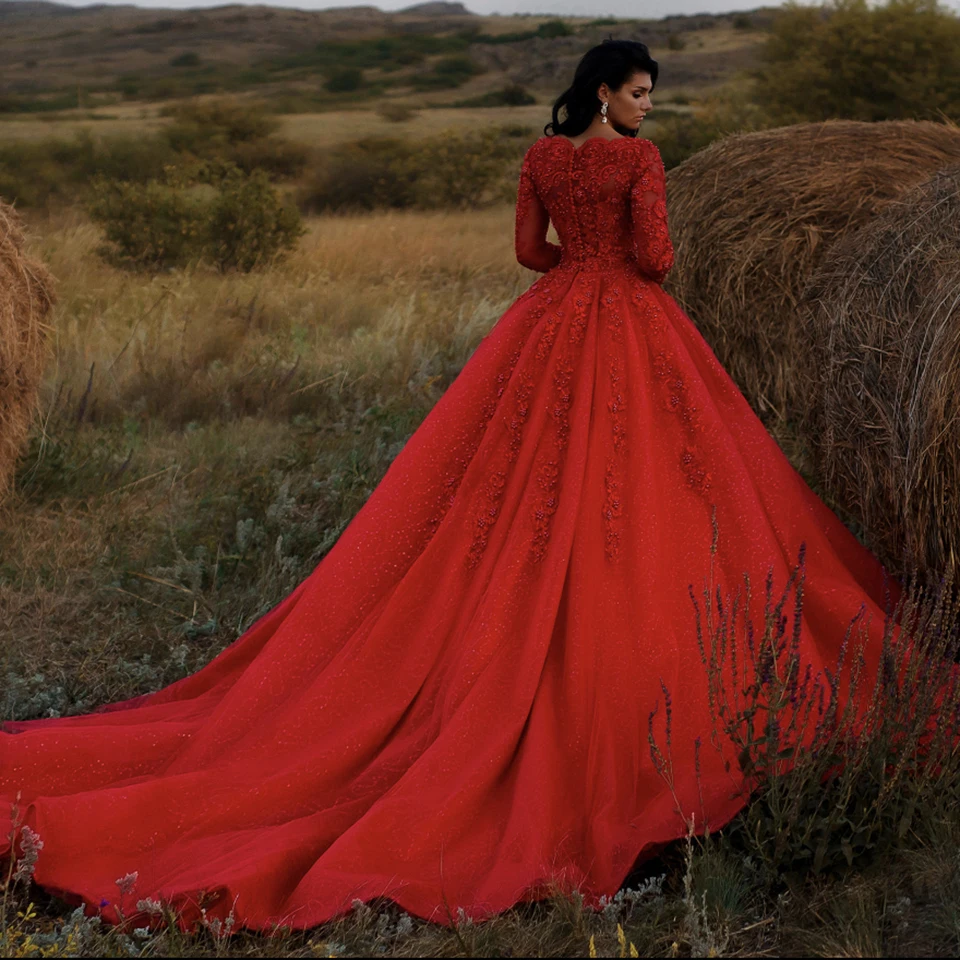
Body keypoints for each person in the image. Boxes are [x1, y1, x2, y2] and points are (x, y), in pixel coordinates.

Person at [1, 39, 899, 935]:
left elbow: (526, 252)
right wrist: (615, 269)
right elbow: (657, 258)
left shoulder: (543, 157)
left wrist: (572, 274)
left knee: (506, 487)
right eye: (640, 91)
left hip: (549, 327)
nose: (648, 106)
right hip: (628, 322)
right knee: (665, 487)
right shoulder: (638, 160)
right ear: (604, 92)